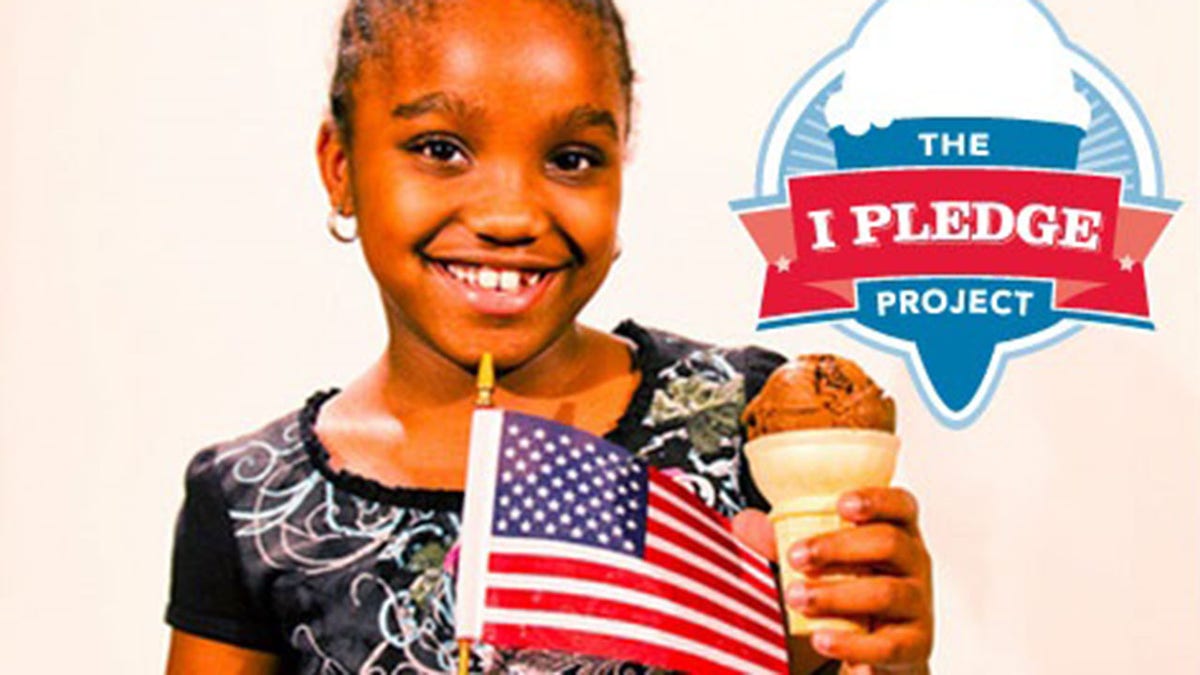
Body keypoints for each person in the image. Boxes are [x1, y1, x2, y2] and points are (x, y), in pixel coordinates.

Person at [164, 0, 934, 672]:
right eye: (441, 149)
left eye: (572, 159)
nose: (511, 215)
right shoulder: (251, 505)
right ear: (340, 167)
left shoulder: (745, 423)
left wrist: (895, 657)